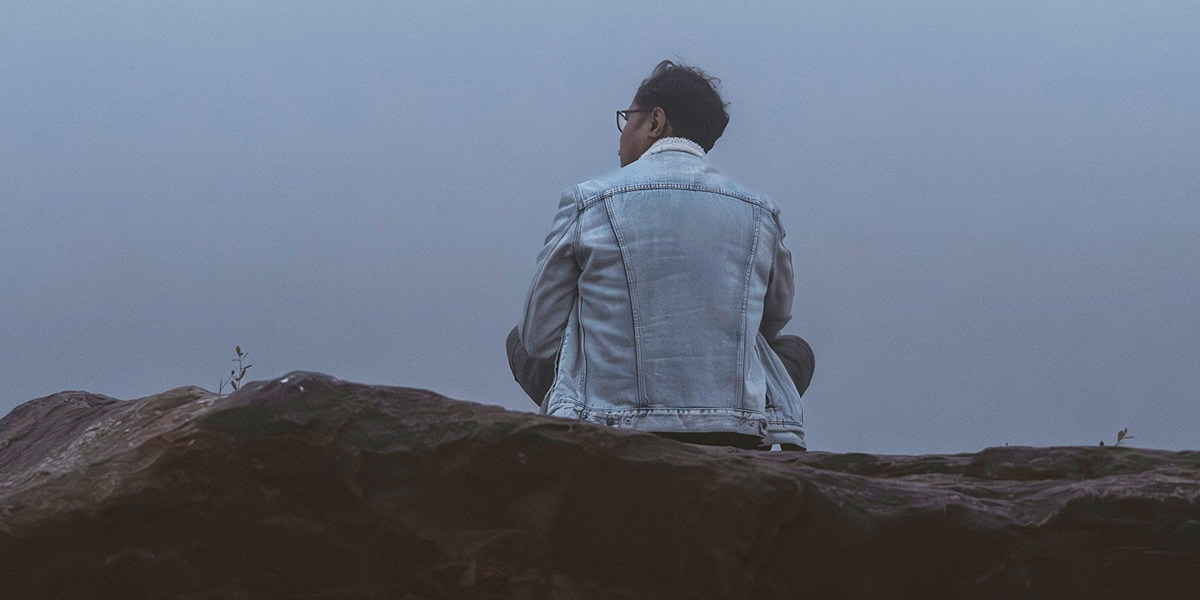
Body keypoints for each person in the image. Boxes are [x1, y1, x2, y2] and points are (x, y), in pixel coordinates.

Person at [507, 60, 814, 450]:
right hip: (730, 428)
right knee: (795, 350)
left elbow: (537, 338)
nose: (621, 138)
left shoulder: (588, 200)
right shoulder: (760, 212)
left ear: (654, 122)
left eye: (627, 119)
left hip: (609, 425)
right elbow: (772, 324)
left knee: (517, 339)